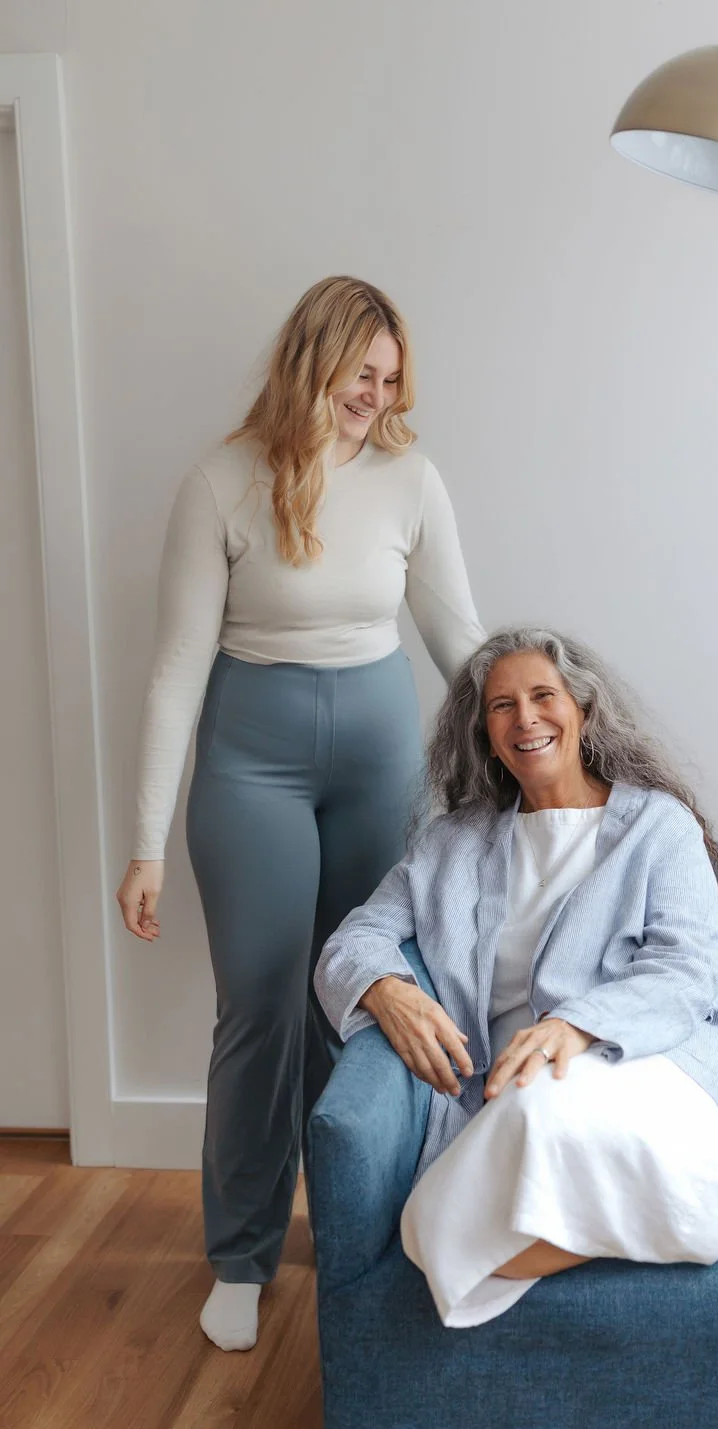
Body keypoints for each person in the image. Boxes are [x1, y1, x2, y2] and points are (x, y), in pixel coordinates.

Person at [315, 628, 718, 1328]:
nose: (524, 718)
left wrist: (577, 1025)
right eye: (501, 706)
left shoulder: (657, 827)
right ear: (484, 733)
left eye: (542, 696)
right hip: (503, 1092)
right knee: (438, 1236)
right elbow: (354, 939)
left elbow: (688, 970)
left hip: (656, 1056)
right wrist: (385, 988)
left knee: (539, 1116)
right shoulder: (452, 845)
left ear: (583, 711)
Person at [115, 276, 485, 1351]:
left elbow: (459, 641)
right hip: (251, 771)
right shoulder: (221, 481)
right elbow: (176, 670)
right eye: (358, 374)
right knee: (263, 1009)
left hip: (375, 767)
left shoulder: (412, 481)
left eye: (389, 380)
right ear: (310, 362)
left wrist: (539, 749)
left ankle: (354, 1224)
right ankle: (239, 1252)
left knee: (358, 999)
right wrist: (143, 845)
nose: (374, 396)